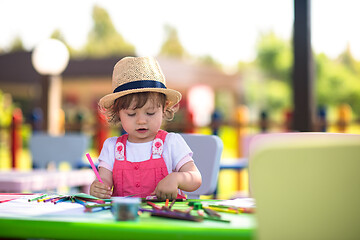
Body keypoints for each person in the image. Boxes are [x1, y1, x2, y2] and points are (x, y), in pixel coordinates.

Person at [90, 56, 202, 200]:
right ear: (118, 113)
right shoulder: (112, 147)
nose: (141, 121)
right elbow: (104, 181)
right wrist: (98, 188)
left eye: (150, 113)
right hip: (124, 219)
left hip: (163, 218)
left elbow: (195, 178)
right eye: (131, 114)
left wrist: (176, 179)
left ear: (164, 108)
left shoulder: (171, 143)